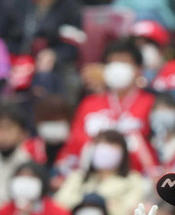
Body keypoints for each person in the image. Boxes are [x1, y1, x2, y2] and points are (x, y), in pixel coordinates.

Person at [58, 39, 157, 174]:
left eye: (124, 62)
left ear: (139, 69)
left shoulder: (151, 103)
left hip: (137, 177)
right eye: (113, 63)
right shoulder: (89, 103)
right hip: (92, 175)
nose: (118, 68)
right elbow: (74, 142)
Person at [55, 129, 147, 215]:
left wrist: (103, 203)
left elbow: (126, 213)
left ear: (122, 154)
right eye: (101, 147)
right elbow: (59, 205)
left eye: (112, 148)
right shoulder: (78, 177)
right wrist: (87, 201)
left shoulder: (132, 180)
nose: (105, 154)